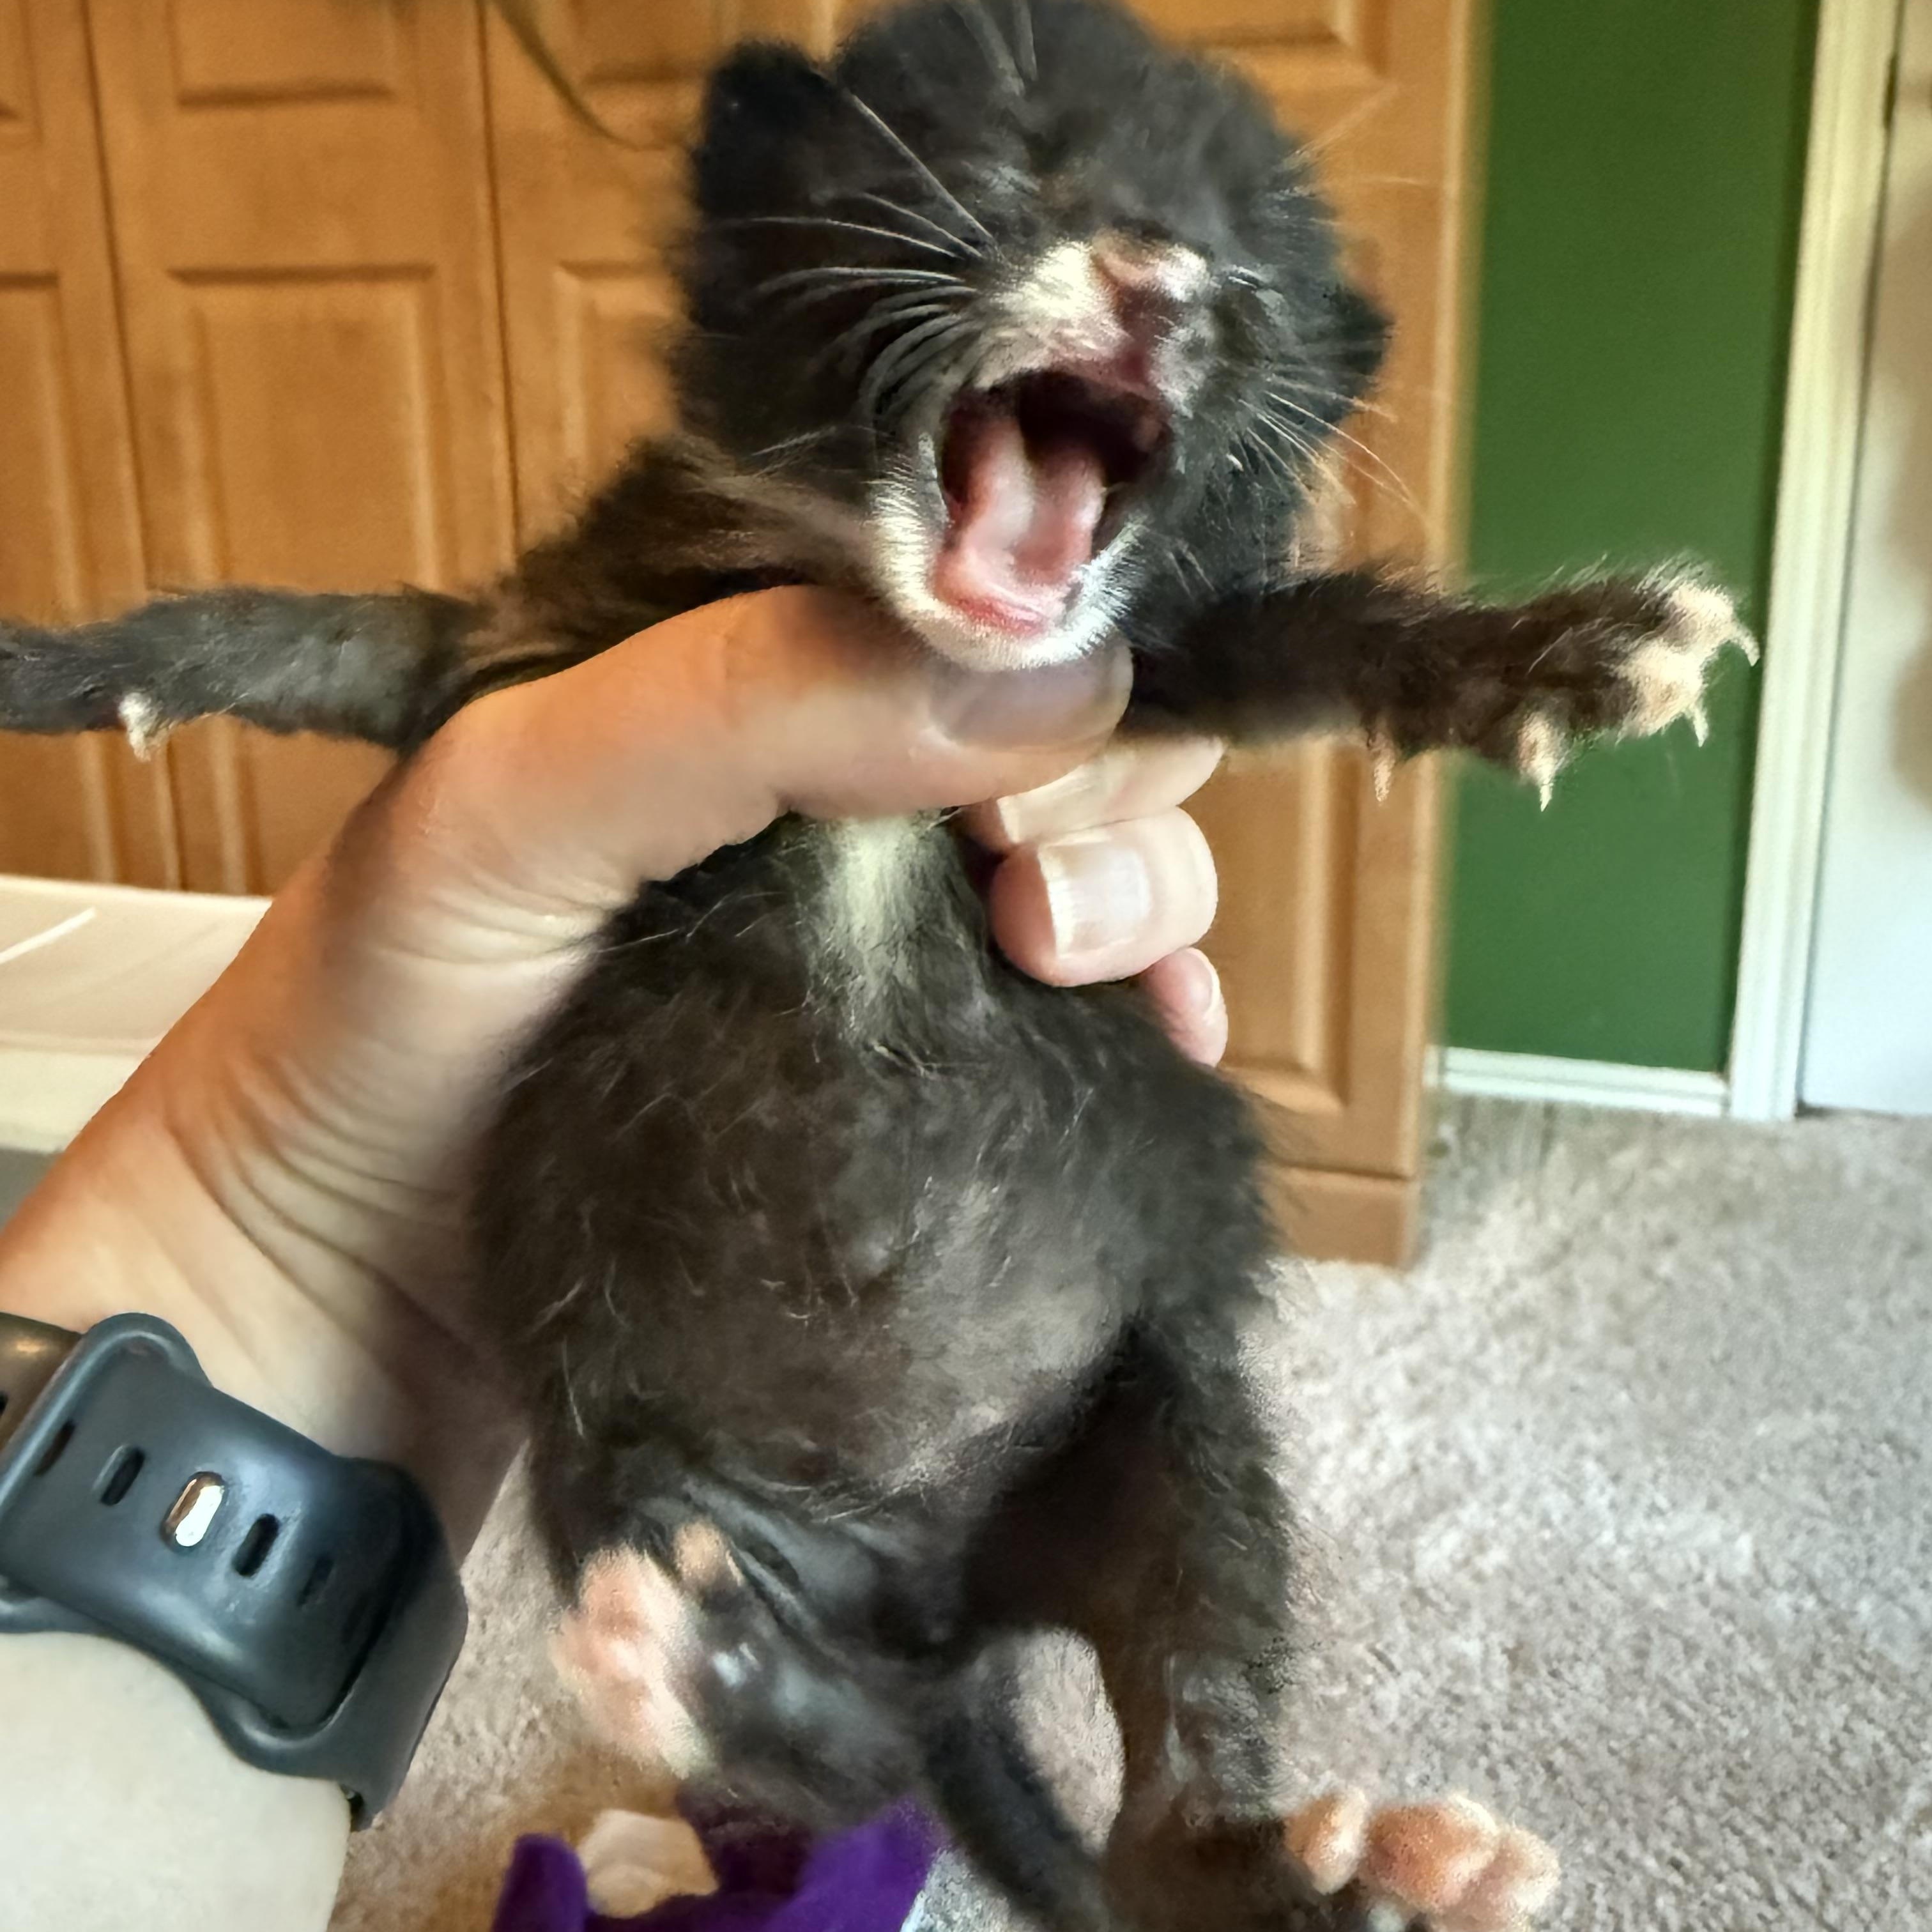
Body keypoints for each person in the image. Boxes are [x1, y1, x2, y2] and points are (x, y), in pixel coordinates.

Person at [0, 588, 1225, 1932]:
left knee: (1150, 1442)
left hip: (828, 1254)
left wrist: (270, 1235)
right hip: (706, 1304)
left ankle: (1186, 1829)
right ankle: (854, 1727)